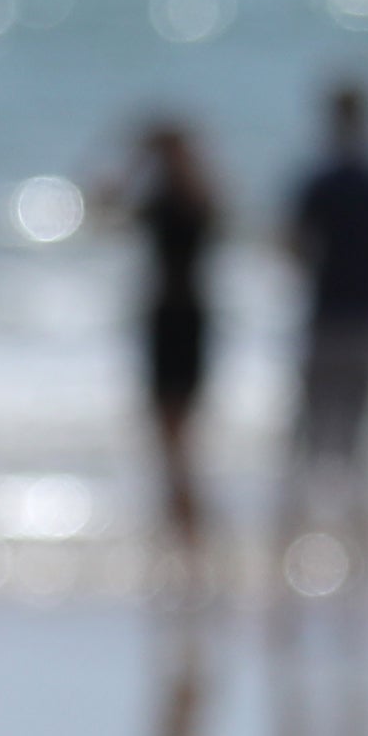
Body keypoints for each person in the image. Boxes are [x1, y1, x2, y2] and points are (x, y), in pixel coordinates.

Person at [281, 80, 368, 539]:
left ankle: (299, 548)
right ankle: (358, 558)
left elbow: (292, 246)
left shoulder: (321, 183)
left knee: (308, 444)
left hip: (328, 321)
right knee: (356, 446)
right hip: (364, 320)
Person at [111, 116, 226, 559]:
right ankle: (184, 537)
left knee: (182, 440)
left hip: (187, 320)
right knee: (166, 442)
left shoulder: (193, 198)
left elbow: (217, 213)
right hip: (162, 319)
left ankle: (192, 538)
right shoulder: (157, 199)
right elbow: (103, 207)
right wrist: (134, 162)